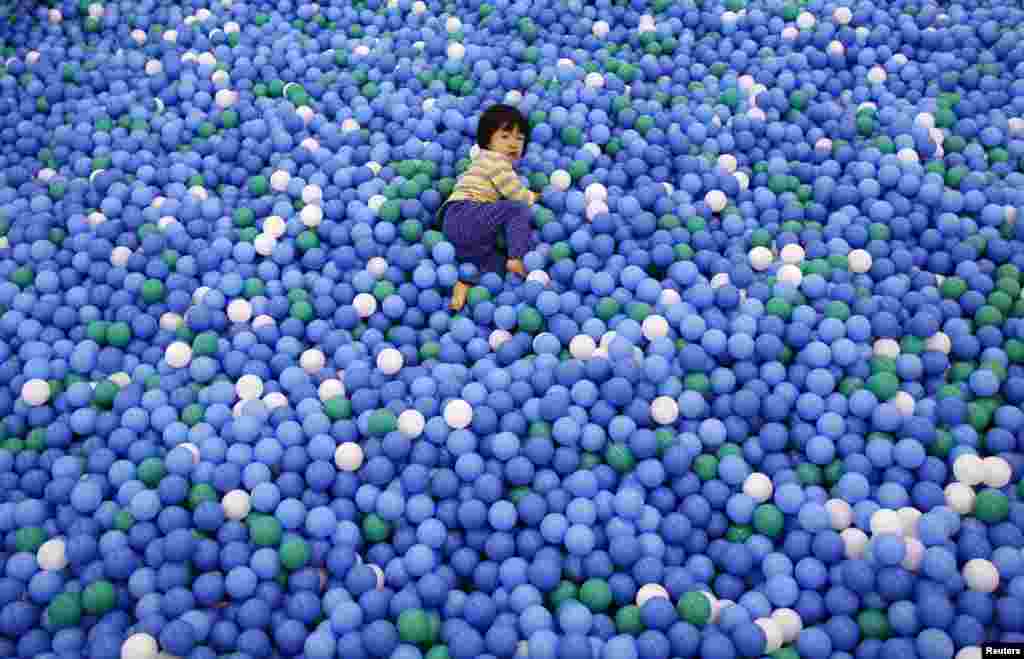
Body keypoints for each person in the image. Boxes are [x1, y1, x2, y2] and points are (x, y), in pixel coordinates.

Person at [437, 104, 539, 311]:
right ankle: (517, 257)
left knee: (494, 261)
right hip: (467, 213)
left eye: (519, 139)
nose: (513, 143)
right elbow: (515, 193)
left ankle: (465, 283)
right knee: (518, 209)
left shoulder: (478, 161)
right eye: (505, 136)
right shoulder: (496, 161)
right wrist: (532, 196)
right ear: (487, 141)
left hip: (453, 225)